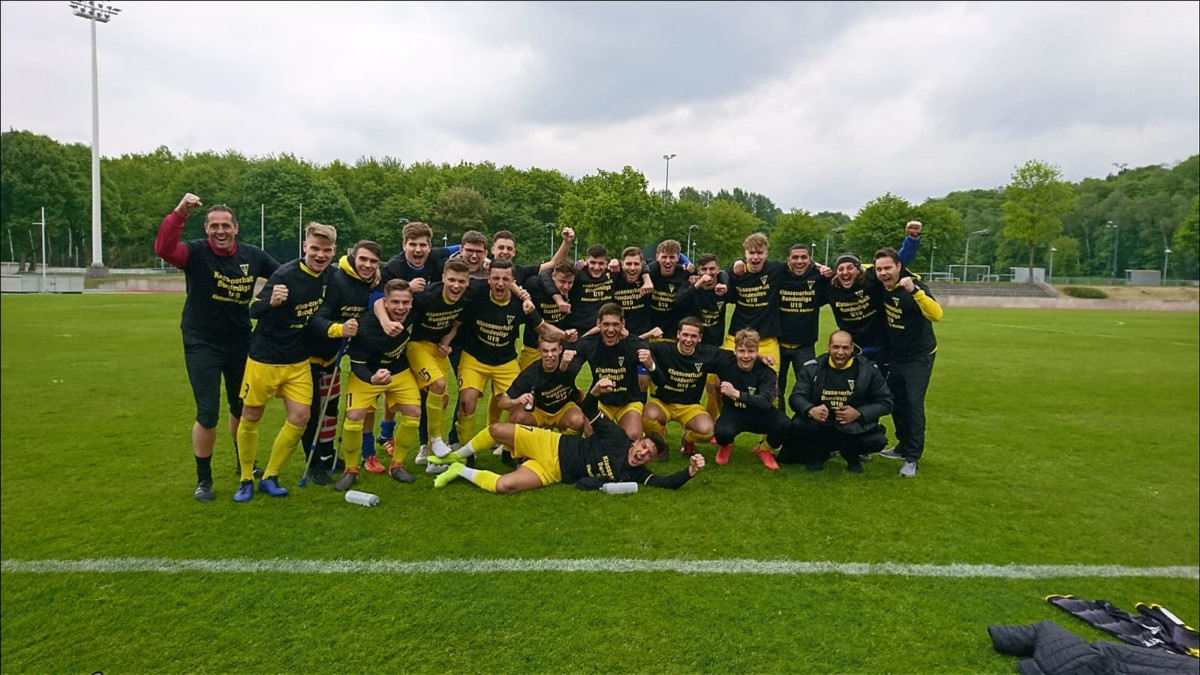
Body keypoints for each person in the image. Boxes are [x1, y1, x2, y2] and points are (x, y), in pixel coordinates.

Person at [154, 193, 279, 501]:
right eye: (214, 226)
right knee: (208, 412)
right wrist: (180, 212)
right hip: (202, 342)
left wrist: (266, 302)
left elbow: (285, 276)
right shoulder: (195, 253)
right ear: (206, 228)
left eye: (226, 225)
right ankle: (204, 479)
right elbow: (165, 250)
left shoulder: (253, 256)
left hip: (240, 341)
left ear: (236, 228)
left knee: (242, 408)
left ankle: (244, 464)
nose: (220, 231)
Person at [428, 377, 706, 494]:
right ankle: (455, 456)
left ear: (650, 460)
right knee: (497, 431)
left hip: (552, 472)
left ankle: (458, 470)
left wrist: (690, 472)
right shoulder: (617, 437)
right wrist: (595, 392)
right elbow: (589, 410)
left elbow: (667, 483)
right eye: (643, 446)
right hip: (552, 443)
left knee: (504, 486)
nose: (643, 453)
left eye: (648, 454)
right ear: (636, 441)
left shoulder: (635, 475)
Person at [233, 222, 338, 502]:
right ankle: (246, 478)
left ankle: (271, 476)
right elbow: (253, 309)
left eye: (326, 250)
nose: (320, 255)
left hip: (298, 359)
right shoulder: (285, 274)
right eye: (315, 249)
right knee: (252, 415)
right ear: (305, 246)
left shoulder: (331, 274)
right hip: (265, 358)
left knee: (301, 417)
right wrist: (271, 302)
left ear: (334, 251)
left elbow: (355, 272)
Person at [448, 258, 569, 457]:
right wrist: (445, 342)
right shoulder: (476, 293)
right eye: (496, 278)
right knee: (467, 402)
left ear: (513, 280)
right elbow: (455, 320)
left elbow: (542, 328)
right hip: (474, 359)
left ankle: (508, 448)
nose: (500, 283)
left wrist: (565, 335)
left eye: (505, 279)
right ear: (488, 278)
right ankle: (466, 452)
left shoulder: (521, 304)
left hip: (505, 361)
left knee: (520, 405)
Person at [301, 240, 379, 484]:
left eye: (373, 261)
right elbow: (317, 318)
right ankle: (313, 465)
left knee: (330, 410)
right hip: (309, 354)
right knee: (313, 413)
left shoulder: (369, 282)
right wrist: (339, 329)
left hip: (333, 357)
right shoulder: (337, 279)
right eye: (363, 259)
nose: (367, 265)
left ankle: (327, 455)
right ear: (353, 257)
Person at [335, 279, 422, 490]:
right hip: (367, 374)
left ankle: (397, 465)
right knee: (354, 417)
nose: (400, 308)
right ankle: (350, 470)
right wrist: (372, 378)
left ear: (411, 303)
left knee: (413, 413)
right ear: (385, 302)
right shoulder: (366, 326)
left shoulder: (415, 312)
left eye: (405, 302)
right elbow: (357, 364)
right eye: (395, 302)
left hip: (399, 371)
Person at [872, 247, 942, 478]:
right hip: (896, 356)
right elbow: (859, 267)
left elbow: (937, 314)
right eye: (879, 269)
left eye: (888, 268)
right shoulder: (882, 286)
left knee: (913, 404)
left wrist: (916, 292)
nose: (883, 273)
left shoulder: (914, 287)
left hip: (919, 356)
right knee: (895, 401)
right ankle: (902, 446)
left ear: (899, 267)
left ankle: (912, 458)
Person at [781, 330, 893, 473]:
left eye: (845, 348)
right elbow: (796, 397)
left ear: (852, 349)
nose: (840, 352)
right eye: (836, 347)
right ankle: (817, 456)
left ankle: (852, 457)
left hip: (851, 425)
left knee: (877, 440)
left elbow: (886, 402)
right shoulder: (813, 367)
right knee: (799, 425)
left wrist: (858, 413)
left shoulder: (869, 370)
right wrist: (811, 410)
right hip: (821, 424)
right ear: (828, 347)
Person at [568, 303, 654, 441]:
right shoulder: (589, 344)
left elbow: (659, 377)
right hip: (602, 401)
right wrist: (565, 364)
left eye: (615, 324)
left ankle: (639, 429)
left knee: (632, 436)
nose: (611, 329)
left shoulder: (634, 344)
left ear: (623, 324)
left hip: (628, 401)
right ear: (598, 324)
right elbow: (571, 371)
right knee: (591, 433)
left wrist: (651, 366)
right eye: (606, 324)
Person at [710, 329, 789, 469]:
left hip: (759, 414)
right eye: (742, 351)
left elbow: (765, 403)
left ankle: (763, 449)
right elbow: (702, 354)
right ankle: (727, 444)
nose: (746, 356)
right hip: (734, 412)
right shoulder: (726, 362)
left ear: (757, 351)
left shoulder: (767, 372)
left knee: (785, 425)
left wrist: (736, 394)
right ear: (735, 351)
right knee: (721, 432)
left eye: (751, 351)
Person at [643, 317, 720, 459]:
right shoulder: (663, 348)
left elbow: (734, 357)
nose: (688, 340)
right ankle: (661, 443)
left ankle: (688, 439)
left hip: (689, 406)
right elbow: (635, 345)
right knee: (646, 416)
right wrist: (646, 336)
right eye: (685, 334)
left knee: (708, 431)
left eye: (693, 336)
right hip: (662, 403)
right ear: (678, 334)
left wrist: (759, 357)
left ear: (700, 338)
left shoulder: (707, 353)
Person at [498, 334, 590, 436]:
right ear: (539, 351)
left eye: (553, 350)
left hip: (564, 408)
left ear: (560, 350)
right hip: (539, 411)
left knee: (578, 420)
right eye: (545, 351)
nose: (550, 355)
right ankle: (530, 442)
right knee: (517, 417)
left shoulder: (569, 362)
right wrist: (517, 401)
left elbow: (586, 349)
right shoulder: (530, 373)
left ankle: (565, 443)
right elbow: (502, 402)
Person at [518, 260, 578, 369]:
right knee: (525, 378)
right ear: (553, 276)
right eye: (562, 281)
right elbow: (544, 274)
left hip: (557, 348)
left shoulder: (573, 290)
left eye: (570, 282)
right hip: (533, 347)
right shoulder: (535, 285)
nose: (566, 286)